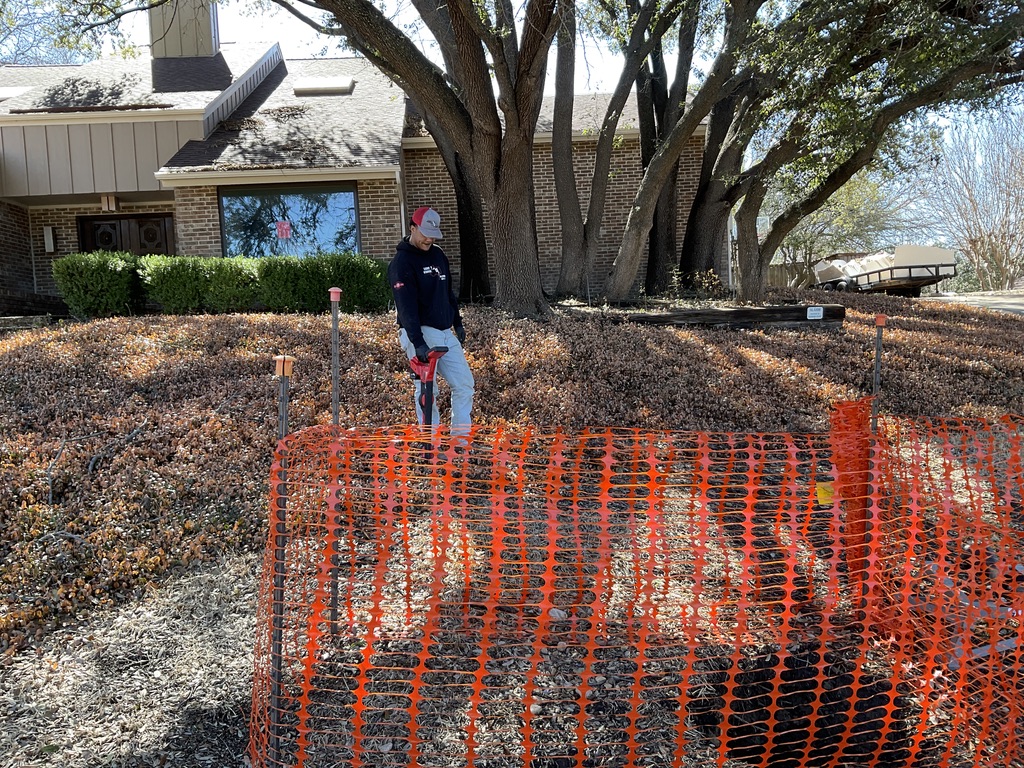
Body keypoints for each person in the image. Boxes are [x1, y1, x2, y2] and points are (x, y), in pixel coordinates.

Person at [388, 206, 475, 431]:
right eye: (424, 233)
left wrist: (458, 323)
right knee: (428, 390)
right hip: (420, 331)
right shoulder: (402, 263)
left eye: (433, 234)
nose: (429, 239)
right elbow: (405, 307)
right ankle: (431, 444)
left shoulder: (438, 254)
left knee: (464, 384)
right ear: (412, 227)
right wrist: (417, 342)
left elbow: (448, 294)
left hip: (445, 332)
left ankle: (461, 441)